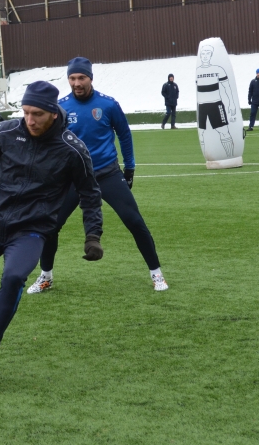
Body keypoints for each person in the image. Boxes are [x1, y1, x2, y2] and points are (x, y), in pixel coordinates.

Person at [0, 81, 103, 385]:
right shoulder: (4, 133)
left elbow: (90, 193)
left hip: (31, 230)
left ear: (53, 113)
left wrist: (93, 235)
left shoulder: (72, 149)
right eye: (26, 112)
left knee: (13, 277)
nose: (29, 120)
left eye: (37, 113)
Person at [27, 56, 168, 295]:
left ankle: (156, 273)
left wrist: (130, 167)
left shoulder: (109, 105)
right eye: (72, 78)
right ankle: (46, 276)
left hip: (107, 173)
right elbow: (50, 142)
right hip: (72, 178)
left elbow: (124, 135)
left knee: (134, 221)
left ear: (90, 78)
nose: (76, 82)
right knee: (50, 226)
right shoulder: (60, 108)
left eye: (81, 77)